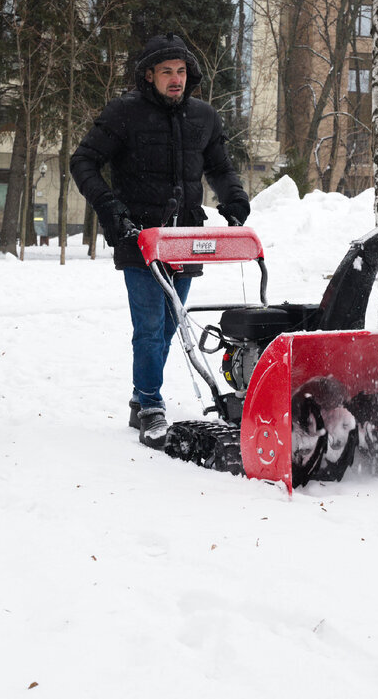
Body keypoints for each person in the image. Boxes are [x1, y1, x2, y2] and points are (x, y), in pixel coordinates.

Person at [71, 33, 250, 449]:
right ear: (149, 75)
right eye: (167, 71)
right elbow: (83, 161)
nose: (176, 79)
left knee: (170, 324)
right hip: (138, 235)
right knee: (150, 327)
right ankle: (151, 404)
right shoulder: (123, 114)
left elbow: (220, 168)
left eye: (182, 71)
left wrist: (234, 197)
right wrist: (111, 210)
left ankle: (140, 396)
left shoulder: (204, 118)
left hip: (185, 237)